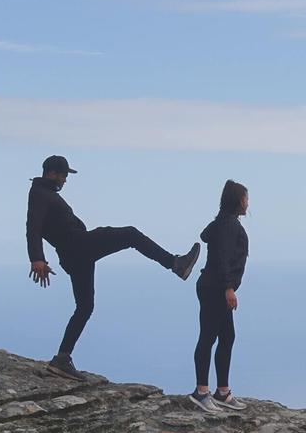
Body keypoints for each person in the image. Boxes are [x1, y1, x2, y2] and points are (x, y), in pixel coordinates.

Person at [27, 155, 201, 380]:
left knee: (85, 306)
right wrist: (37, 258)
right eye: (63, 175)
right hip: (79, 246)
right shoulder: (40, 194)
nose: (65, 180)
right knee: (130, 234)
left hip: (75, 254)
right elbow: (32, 227)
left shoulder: (44, 193)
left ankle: (62, 358)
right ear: (52, 173)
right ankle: (175, 264)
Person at [190, 180, 249, 413]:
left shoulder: (223, 223)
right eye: (245, 198)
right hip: (215, 288)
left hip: (212, 287)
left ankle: (222, 392)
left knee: (227, 337)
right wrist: (228, 288)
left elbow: (207, 236)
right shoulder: (229, 226)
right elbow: (223, 258)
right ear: (237, 201)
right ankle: (201, 392)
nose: (247, 203)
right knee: (208, 337)